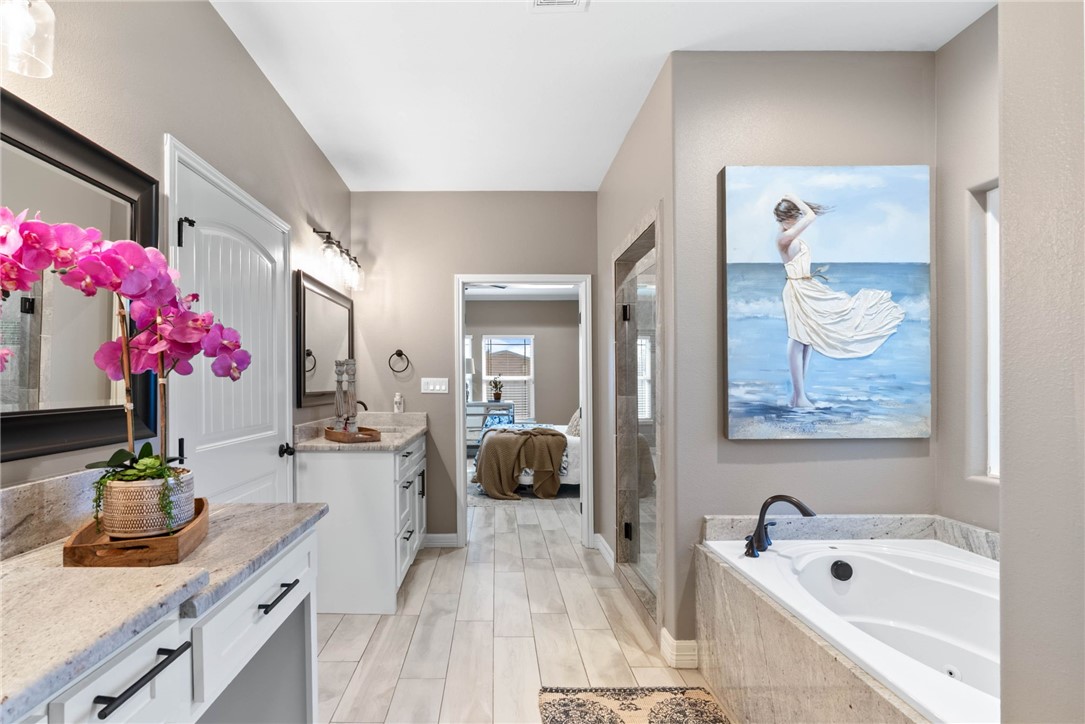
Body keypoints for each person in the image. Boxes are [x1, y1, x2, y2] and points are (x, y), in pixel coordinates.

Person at [774, 194, 904, 408]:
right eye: (794, 216)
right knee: (798, 338)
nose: (798, 220)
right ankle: (799, 396)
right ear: (787, 217)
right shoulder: (784, 238)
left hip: (806, 286)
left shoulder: (789, 236)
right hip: (797, 288)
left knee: (808, 341)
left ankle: (798, 396)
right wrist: (795, 198)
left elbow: (807, 217)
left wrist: (793, 203)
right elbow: (811, 216)